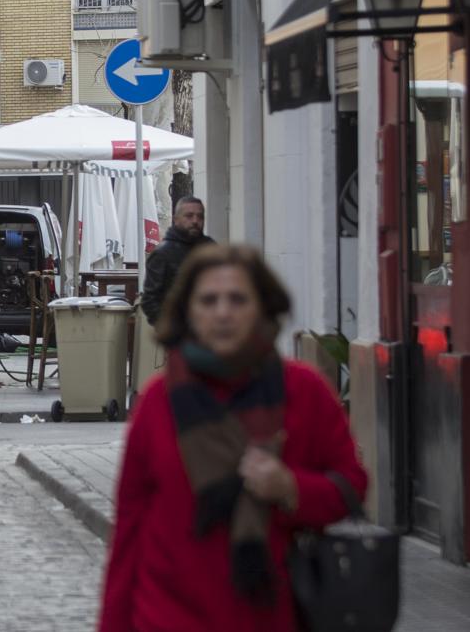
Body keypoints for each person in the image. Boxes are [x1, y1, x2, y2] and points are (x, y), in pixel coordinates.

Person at [99, 245, 368, 632]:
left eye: (238, 299)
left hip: (271, 616)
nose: (223, 312)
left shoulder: (305, 392)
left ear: (261, 308)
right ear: (189, 312)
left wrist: (291, 487)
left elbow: (352, 486)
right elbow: (128, 532)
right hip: (166, 616)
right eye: (209, 300)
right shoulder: (159, 402)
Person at [140, 196, 214, 325]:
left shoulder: (211, 249)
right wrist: (170, 328)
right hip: (179, 332)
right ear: (176, 219)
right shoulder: (163, 254)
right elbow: (150, 300)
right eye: (189, 216)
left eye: (200, 216)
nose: (195, 221)